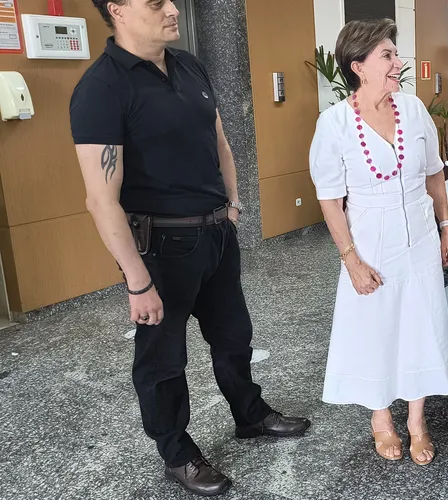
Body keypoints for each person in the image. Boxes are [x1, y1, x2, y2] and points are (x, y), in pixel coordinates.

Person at [70, 0, 310, 496]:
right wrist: (138, 282)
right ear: (116, 9)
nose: (173, 9)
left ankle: (250, 414)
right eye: (156, 2)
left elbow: (220, 139)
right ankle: (177, 453)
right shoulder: (101, 88)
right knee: (162, 360)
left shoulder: (188, 64)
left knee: (234, 336)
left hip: (217, 233)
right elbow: (100, 199)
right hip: (161, 246)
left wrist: (234, 204)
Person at [308, 18, 448, 466]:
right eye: (387, 56)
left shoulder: (412, 110)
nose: (399, 63)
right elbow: (331, 200)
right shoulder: (333, 124)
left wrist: (446, 226)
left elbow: (434, 173)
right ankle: (381, 420)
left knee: (420, 324)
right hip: (370, 239)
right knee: (376, 327)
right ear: (359, 67)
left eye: (395, 53)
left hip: (419, 233)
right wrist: (350, 258)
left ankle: (416, 421)